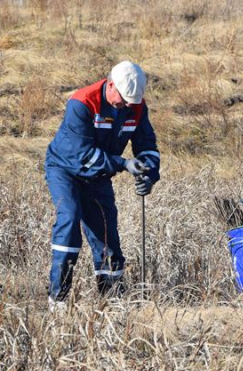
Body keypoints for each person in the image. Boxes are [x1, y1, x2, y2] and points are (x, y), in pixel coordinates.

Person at [44, 61, 161, 310]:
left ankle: (112, 302)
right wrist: (123, 163)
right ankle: (58, 301)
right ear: (110, 85)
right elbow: (83, 155)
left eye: (133, 102)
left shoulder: (136, 107)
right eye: (123, 99)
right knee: (70, 217)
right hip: (65, 170)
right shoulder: (82, 102)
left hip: (98, 176)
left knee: (107, 235)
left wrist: (149, 175)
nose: (128, 106)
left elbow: (147, 145)